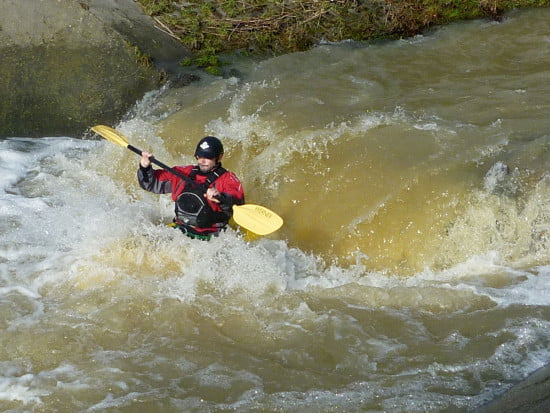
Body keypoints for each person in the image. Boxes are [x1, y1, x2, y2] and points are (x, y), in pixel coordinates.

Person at [138, 136, 244, 240]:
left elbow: (237, 202)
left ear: (219, 157)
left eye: (207, 157)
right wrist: (145, 167)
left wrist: (220, 197)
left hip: (211, 237)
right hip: (179, 230)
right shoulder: (183, 173)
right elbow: (150, 184)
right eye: (199, 156)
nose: (202, 161)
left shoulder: (228, 179)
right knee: (142, 241)